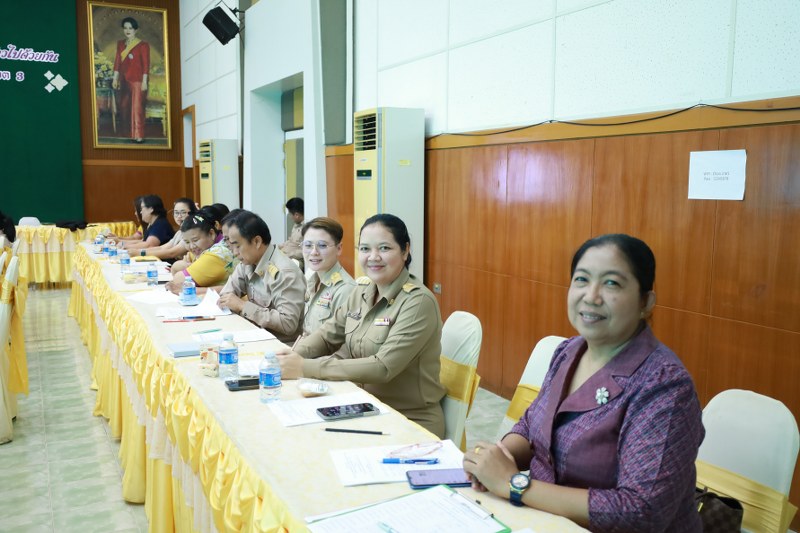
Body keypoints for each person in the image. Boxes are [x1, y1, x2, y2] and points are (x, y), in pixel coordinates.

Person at [462, 234, 704, 532]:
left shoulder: (664, 386)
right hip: (542, 521)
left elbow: (641, 511)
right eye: (581, 279)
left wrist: (514, 484)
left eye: (611, 283)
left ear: (645, 302)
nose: (591, 296)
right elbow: (532, 425)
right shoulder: (568, 351)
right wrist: (496, 459)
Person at [276, 214, 446, 437]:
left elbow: (382, 367)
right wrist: (292, 356)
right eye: (365, 249)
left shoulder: (418, 302)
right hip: (363, 406)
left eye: (384, 248)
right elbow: (327, 336)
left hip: (407, 420)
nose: (373, 257)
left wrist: (304, 367)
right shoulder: (362, 292)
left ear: (405, 251)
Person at [218, 211, 305, 343]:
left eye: (238, 246)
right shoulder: (247, 262)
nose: (235, 252)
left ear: (257, 241)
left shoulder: (284, 272)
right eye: (232, 246)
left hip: (281, 345)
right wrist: (232, 302)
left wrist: (242, 306)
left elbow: (288, 324)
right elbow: (226, 296)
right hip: (255, 336)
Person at [300, 217, 356, 336]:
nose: (314, 252)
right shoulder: (312, 280)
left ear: (339, 249)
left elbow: (343, 342)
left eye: (322, 245)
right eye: (308, 245)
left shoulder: (345, 290)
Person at [166, 208, 234, 295]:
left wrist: (185, 266)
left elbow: (178, 282)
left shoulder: (217, 253)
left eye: (195, 240)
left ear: (211, 234)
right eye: (187, 242)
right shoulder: (204, 247)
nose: (191, 246)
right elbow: (176, 269)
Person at [112, 17, 150, 143]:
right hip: (123, 80)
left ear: (135, 30)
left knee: (136, 108)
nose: (127, 30)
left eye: (130, 28)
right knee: (124, 106)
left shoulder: (143, 45)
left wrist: (144, 81)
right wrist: (115, 78)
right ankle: (129, 133)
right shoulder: (120, 44)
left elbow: (146, 64)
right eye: (125, 28)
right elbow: (117, 62)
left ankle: (138, 135)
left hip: (137, 80)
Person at [278, 197, 304, 266]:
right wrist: (277, 247)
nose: (290, 217)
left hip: (296, 260)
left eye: (290, 214)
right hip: (285, 256)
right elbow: (291, 241)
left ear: (296, 215)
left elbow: (305, 251)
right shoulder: (296, 225)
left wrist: (289, 254)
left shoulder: (307, 228)